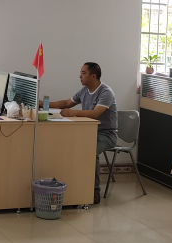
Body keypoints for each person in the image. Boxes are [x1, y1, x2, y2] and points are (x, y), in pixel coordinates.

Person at [42, 62, 118, 205]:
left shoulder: (106, 92)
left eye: (83, 73)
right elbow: (66, 103)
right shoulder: (84, 91)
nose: (80, 76)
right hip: (88, 132)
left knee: (90, 151)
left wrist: (74, 113)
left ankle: (94, 191)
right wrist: (42, 103)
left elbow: (95, 114)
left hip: (106, 135)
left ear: (93, 76)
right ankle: (74, 185)